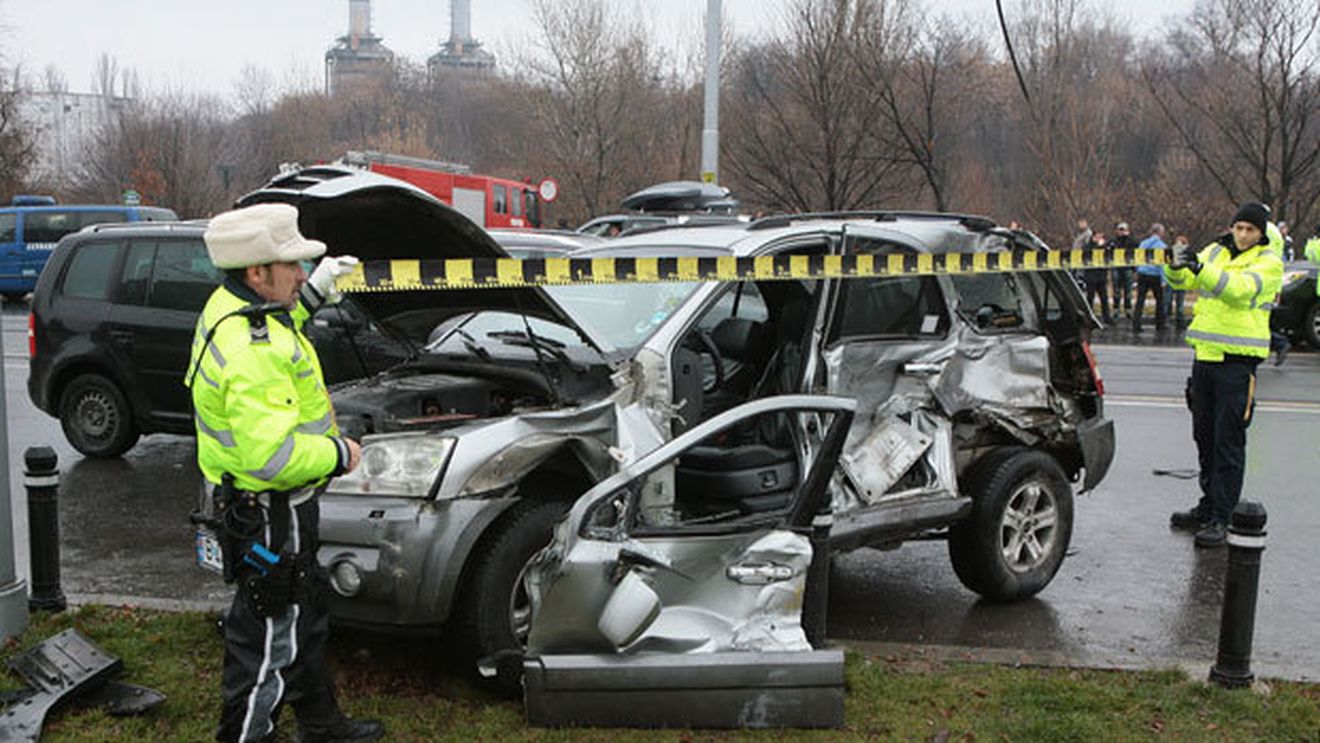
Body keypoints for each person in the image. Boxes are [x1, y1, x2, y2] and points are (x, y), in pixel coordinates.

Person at [187, 204, 383, 743]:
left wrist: (315, 293)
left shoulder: (236, 307)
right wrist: (340, 454)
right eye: (293, 267)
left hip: (271, 508)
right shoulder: (254, 348)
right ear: (257, 273)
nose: (300, 274)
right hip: (270, 509)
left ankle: (320, 725)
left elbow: (282, 321)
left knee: (305, 614)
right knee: (269, 640)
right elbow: (271, 460)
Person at [1164, 202, 1283, 547]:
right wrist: (1175, 266)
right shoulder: (1216, 250)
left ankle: (1222, 515)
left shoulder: (1268, 262)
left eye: (1250, 230)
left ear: (1261, 233)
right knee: (1204, 436)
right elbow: (1185, 278)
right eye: (1239, 228)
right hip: (1206, 357)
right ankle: (1208, 505)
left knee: (1227, 440)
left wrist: (1200, 267)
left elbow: (1237, 289)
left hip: (1238, 361)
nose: (1243, 235)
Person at [1133, 223, 1168, 332]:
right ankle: (1160, 324)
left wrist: (1138, 270)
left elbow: (1137, 258)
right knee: (1160, 301)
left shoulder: (1143, 243)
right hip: (1155, 275)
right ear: (1160, 233)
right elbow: (1162, 265)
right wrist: (1164, 280)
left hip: (1143, 274)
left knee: (1140, 300)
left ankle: (1136, 324)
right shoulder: (1162, 246)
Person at [1083, 231, 1112, 323]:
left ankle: (1107, 317)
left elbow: (1109, 255)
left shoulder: (1104, 246)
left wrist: (1105, 246)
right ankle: (1088, 317)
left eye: (1101, 237)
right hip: (1091, 276)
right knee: (1090, 298)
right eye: (1098, 236)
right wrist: (1098, 246)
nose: (1100, 238)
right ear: (1093, 237)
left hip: (1101, 276)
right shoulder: (1088, 246)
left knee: (1104, 298)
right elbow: (1088, 254)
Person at [1110, 222, 1137, 318]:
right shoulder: (1113, 241)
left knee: (1128, 291)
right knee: (1116, 290)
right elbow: (1108, 250)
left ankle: (1128, 309)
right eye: (1120, 230)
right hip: (1117, 267)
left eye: (1123, 230)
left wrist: (1127, 237)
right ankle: (1116, 309)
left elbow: (1137, 249)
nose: (1122, 232)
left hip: (1128, 268)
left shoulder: (1132, 241)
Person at [1164, 234, 1190, 327]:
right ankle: (1165, 320)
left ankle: (1180, 322)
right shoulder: (1171, 253)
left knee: (1180, 304)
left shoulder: (1186, 255)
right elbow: (1166, 266)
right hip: (1170, 281)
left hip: (1181, 282)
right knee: (1167, 301)